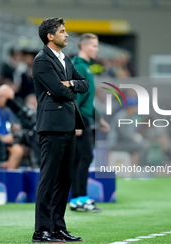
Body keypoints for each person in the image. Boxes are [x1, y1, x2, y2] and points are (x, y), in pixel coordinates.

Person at [32, 18, 88, 243]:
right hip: (52, 126)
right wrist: (67, 87)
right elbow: (57, 89)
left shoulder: (64, 59)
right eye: (62, 31)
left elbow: (83, 84)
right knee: (49, 179)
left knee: (64, 179)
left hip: (67, 124)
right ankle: (41, 231)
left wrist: (69, 85)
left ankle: (57, 227)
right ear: (50, 36)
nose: (67, 35)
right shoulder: (42, 60)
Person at [70, 33, 110, 212]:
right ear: (84, 47)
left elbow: (87, 102)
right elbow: (75, 100)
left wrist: (100, 120)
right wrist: (77, 122)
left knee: (81, 158)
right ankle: (79, 200)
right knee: (84, 158)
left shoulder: (86, 68)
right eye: (94, 46)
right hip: (81, 120)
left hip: (85, 118)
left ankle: (79, 199)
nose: (97, 49)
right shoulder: (78, 67)